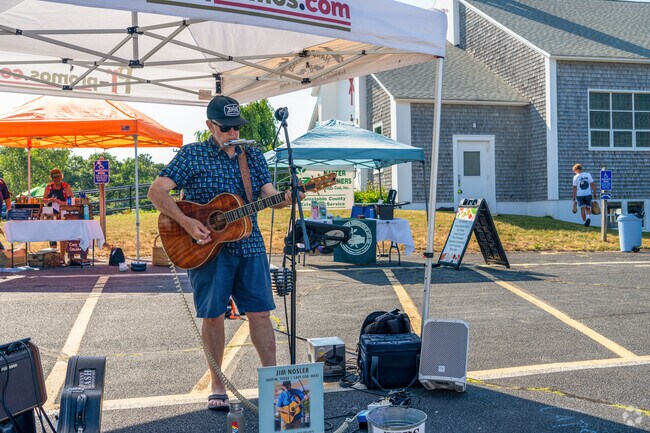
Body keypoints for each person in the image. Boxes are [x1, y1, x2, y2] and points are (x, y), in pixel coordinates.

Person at [148, 95, 300, 411]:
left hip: (250, 244)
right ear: (210, 126)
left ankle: (273, 384)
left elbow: (268, 195)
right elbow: (156, 191)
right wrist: (188, 223)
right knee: (213, 315)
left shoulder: (253, 157)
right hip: (205, 248)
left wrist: (286, 197)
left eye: (236, 128)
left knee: (260, 312)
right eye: (226, 128)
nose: (233, 133)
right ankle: (218, 385)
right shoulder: (192, 155)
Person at [43, 168, 74, 262]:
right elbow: (43, 199)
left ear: (61, 177)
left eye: (58, 178)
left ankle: (62, 257)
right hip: (50, 212)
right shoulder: (48, 187)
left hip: (63, 212)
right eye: (54, 178)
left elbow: (71, 200)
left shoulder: (65, 186)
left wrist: (61, 202)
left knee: (63, 234)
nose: (56, 180)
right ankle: (54, 256)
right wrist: (49, 200)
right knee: (52, 233)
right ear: (51, 178)